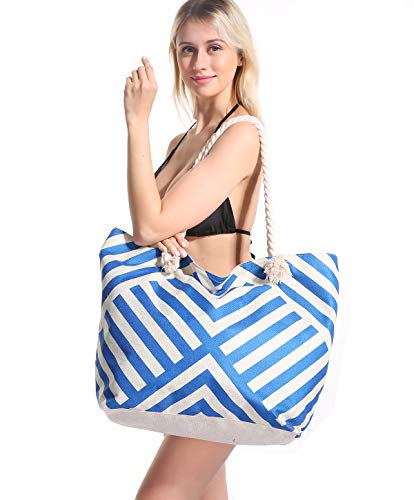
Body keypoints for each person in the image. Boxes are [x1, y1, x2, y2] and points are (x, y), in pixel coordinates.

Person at [124, 1, 264, 498]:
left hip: (223, 348)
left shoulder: (241, 134)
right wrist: (160, 227)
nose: (200, 63)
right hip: (184, 340)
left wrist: (136, 121)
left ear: (240, 56)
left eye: (214, 47)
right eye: (188, 50)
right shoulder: (182, 142)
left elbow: (147, 223)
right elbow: (151, 226)